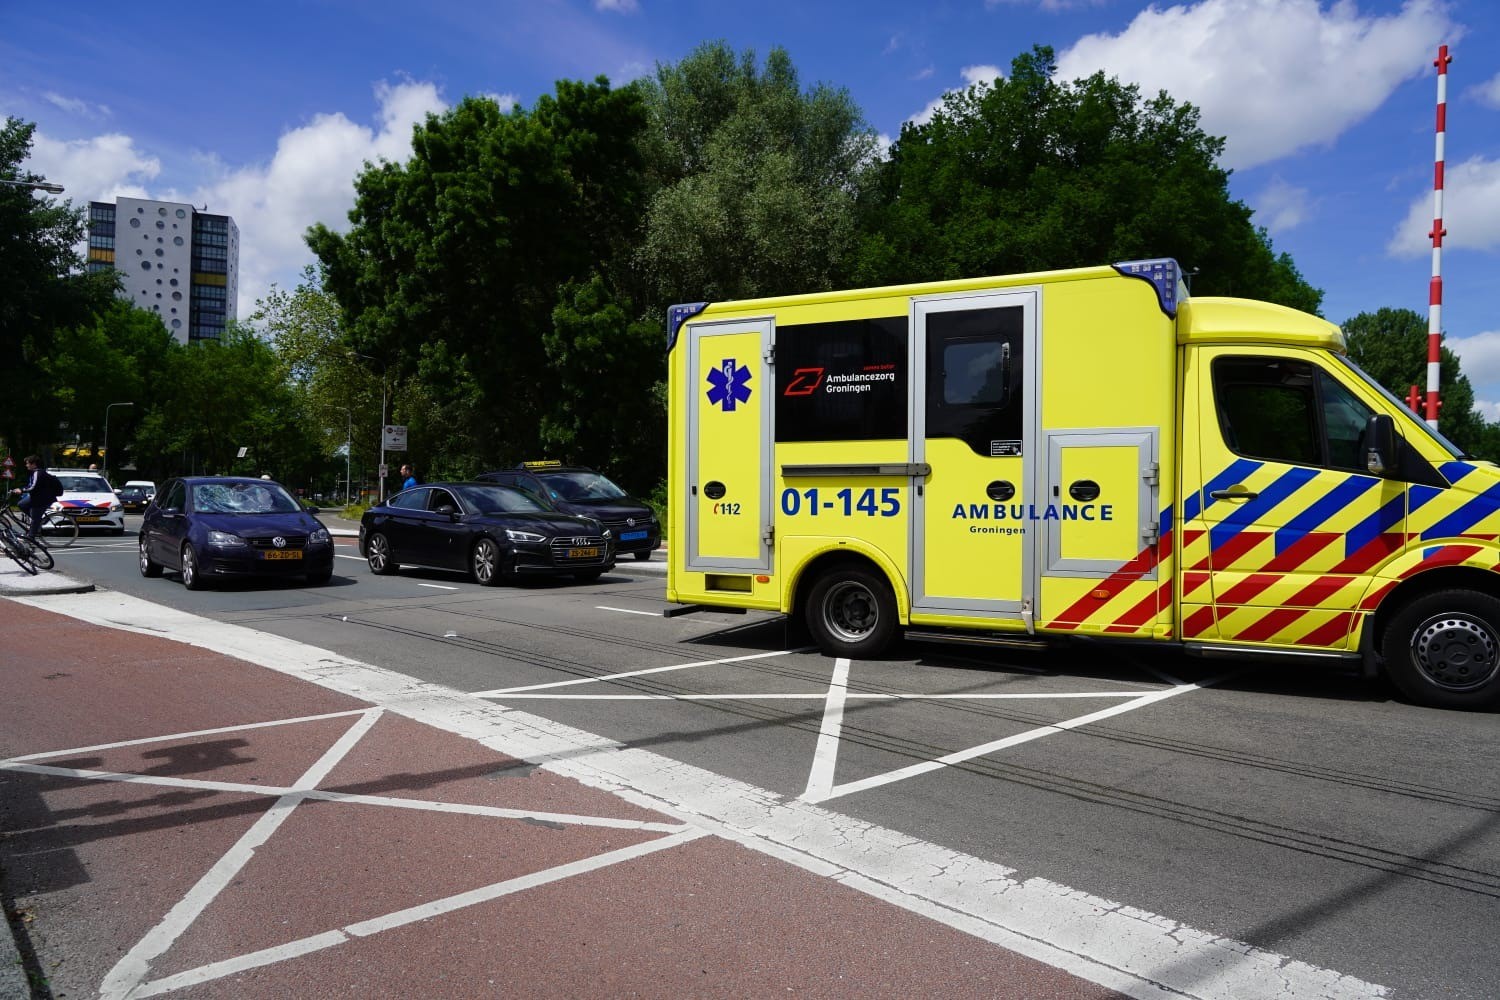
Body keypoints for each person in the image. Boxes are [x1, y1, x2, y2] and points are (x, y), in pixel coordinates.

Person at [9, 455, 64, 541]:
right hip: (37, 497)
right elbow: (30, 486)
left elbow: (33, 487)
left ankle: (31, 536)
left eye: (27, 463)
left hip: (43, 499)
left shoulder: (38, 473)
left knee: (35, 517)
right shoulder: (35, 473)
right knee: (21, 504)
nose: (26, 465)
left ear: (34, 464)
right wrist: (20, 489)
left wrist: (22, 490)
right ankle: (38, 521)